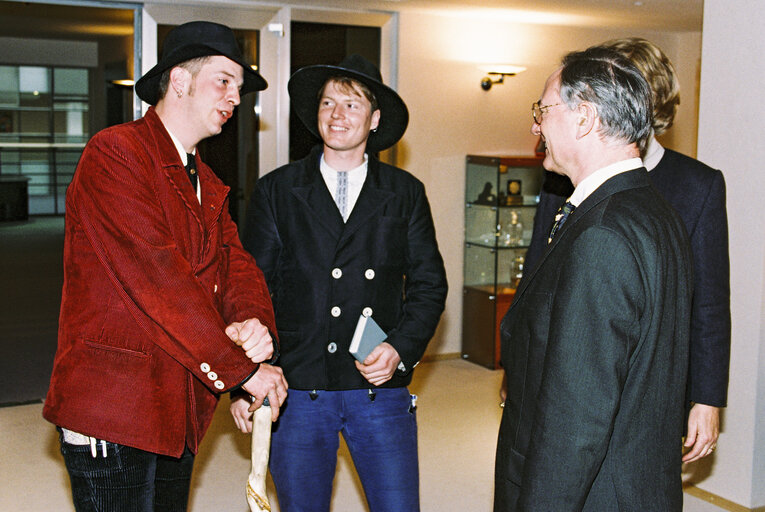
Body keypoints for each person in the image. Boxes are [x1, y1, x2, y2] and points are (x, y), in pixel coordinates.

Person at [43, 21, 288, 511]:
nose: (235, 97)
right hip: (114, 407)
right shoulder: (115, 154)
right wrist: (240, 371)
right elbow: (160, 280)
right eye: (224, 80)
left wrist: (254, 327)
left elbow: (236, 266)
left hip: (178, 406)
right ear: (179, 80)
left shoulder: (208, 181)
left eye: (239, 87)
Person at [232, 54, 447, 511]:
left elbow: (429, 285)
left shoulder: (405, 192)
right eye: (328, 103)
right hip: (298, 385)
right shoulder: (276, 190)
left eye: (351, 105)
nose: (336, 114)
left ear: (375, 119)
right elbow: (251, 291)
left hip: (378, 385)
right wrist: (243, 382)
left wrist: (400, 348)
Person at [493, 46, 693, 511]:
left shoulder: (602, 234)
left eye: (543, 110)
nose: (535, 126)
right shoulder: (652, 209)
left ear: (583, 118)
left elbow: (576, 420)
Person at [521, 37, 731, 463]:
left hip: (651, 379)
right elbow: (536, 271)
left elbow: (709, 301)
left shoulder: (698, 185)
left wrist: (708, 400)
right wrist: (518, 363)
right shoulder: (561, 174)